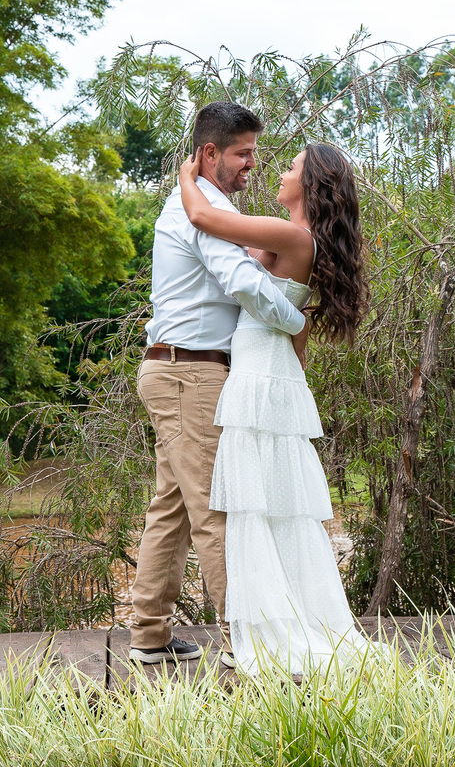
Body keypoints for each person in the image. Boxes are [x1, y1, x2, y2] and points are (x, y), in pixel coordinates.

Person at [177, 141, 372, 675]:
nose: (279, 173)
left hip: (258, 376)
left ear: (308, 186)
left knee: (255, 508)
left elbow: (202, 217)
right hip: (270, 374)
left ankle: (272, 632)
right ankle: (281, 619)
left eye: (291, 167)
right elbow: (295, 334)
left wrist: (186, 175)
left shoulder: (292, 235)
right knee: (269, 506)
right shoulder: (295, 238)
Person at [130, 101, 308, 667]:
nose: (253, 163)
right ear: (210, 153)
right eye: (243, 153)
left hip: (179, 370)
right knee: (216, 510)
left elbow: (243, 267)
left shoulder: (205, 205)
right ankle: (247, 642)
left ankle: (148, 635)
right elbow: (241, 283)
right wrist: (298, 320)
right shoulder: (201, 209)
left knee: (172, 509)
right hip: (190, 374)